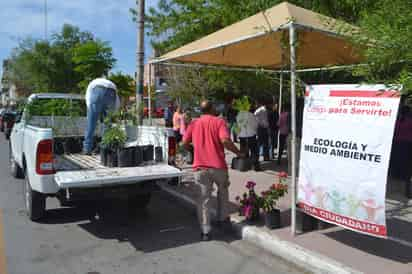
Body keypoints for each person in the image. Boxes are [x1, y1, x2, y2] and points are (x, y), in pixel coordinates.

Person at [183, 100, 243, 241]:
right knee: (223, 192)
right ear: (212, 109)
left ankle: (206, 232)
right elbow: (225, 141)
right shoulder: (219, 122)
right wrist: (238, 153)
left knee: (204, 199)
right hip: (218, 167)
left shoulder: (194, 123)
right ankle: (223, 220)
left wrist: (192, 150)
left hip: (200, 167)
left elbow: (184, 143)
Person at [83, 77, 120, 155]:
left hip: (97, 91)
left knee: (91, 124)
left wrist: (90, 109)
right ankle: (104, 149)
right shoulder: (111, 83)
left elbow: (88, 97)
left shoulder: (93, 83)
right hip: (111, 92)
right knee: (107, 124)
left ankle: (87, 149)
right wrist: (113, 112)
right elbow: (117, 101)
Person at [237, 106, 260, 171]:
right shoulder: (251, 115)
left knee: (243, 151)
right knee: (253, 151)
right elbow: (256, 125)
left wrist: (239, 133)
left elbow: (238, 125)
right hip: (251, 135)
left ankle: (243, 166)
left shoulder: (239, 115)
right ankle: (255, 166)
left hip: (242, 135)